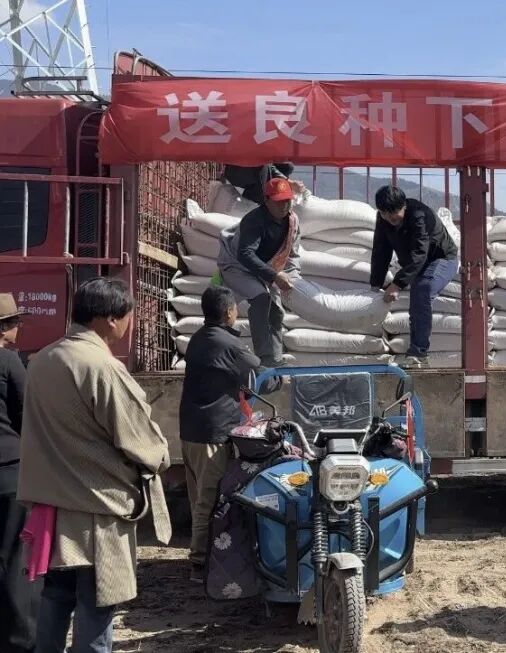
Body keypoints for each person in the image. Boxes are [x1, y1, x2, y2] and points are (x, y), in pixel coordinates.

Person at [17, 277, 172, 653]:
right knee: (96, 610)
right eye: (129, 317)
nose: (129, 325)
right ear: (110, 319)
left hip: (51, 510)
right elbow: (143, 442)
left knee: (55, 601)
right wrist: (161, 457)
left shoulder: (42, 360)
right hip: (96, 511)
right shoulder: (102, 367)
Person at [179, 286, 260, 583]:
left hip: (190, 430)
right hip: (212, 434)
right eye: (235, 307)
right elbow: (260, 373)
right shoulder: (229, 344)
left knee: (198, 497)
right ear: (228, 312)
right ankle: (199, 564)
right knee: (209, 501)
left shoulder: (199, 338)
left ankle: (205, 557)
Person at [217, 177, 301, 376]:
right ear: (267, 200)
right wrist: (274, 276)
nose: (284, 206)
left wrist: (293, 277)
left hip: (267, 270)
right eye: (279, 202)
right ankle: (264, 358)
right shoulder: (254, 220)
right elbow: (245, 254)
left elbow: (292, 253)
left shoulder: (292, 222)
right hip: (238, 267)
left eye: (287, 201)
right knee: (261, 299)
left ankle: (276, 359)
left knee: (277, 310)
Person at [369, 185, 459, 369]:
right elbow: (381, 250)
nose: (390, 218)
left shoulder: (419, 215)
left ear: (404, 206)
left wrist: (397, 284)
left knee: (422, 289)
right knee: (414, 288)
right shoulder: (383, 219)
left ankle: (419, 353)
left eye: (394, 213)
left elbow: (420, 253)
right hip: (416, 262)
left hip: (441, 258)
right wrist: (375, 285)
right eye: (385, 214)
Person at [0, 293, 37, 653]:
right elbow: (27, 416)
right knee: (14, 558)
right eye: (15, 323)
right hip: (9, 473)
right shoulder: (10, 362)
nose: (19, 329)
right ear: (3, 328)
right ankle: (18, 640)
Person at [221, 162, 299, 205]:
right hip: (238, 169)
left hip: (247, 173)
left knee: (288, 167)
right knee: (287, 167)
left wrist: (286, 181)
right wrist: (287, 181)